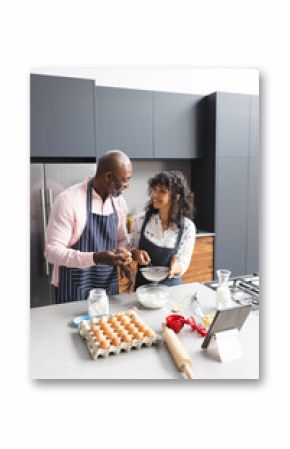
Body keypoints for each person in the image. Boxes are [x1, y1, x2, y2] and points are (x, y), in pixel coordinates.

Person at [45, 150, 133, 303]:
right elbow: (51, 252)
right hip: (74, 289)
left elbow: (122, 241)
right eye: (125, 180)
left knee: (109, 327)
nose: (127, 185)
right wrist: (96, 257)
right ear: (108, 177)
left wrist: (126, 263)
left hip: (108, 289)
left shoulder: (118, 202)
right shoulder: (68, 200)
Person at [131, 171, 196, 288]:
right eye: (154, 189)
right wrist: (135, 254)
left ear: (176, 197)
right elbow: (130, 249)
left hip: (173, 290)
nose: (154, 195)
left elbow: (183, 262)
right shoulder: (140, 220)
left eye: (162, 191)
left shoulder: (188, 227)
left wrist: (176, 267)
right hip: (143, 290)